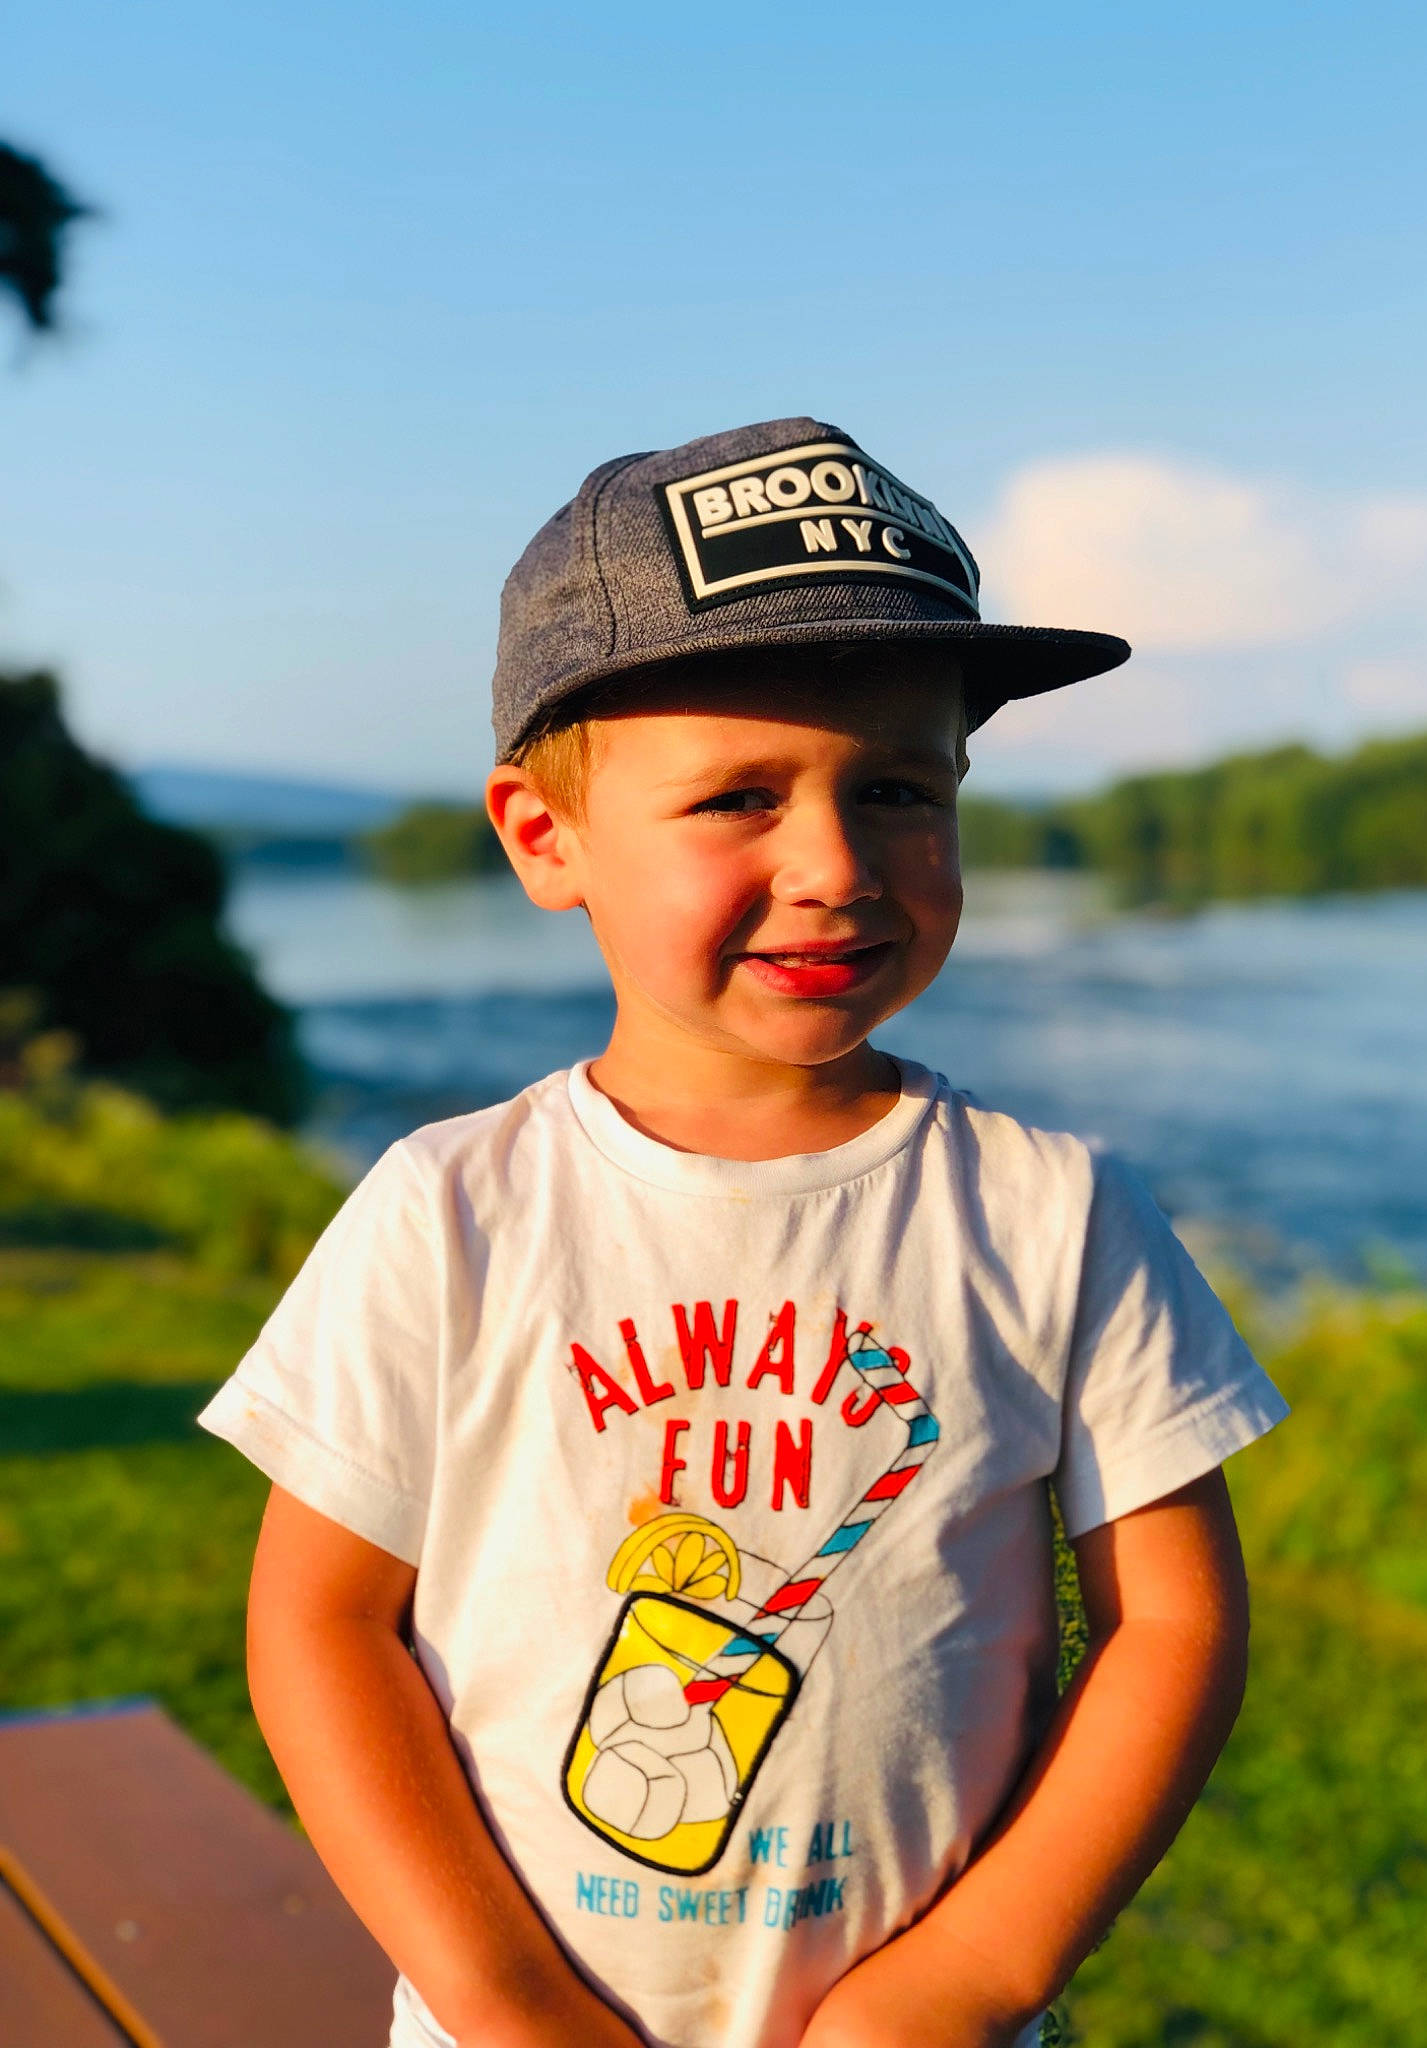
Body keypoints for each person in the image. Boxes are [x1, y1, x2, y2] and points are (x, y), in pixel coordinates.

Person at [200, 416, 1287, 2048]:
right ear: (545, 837)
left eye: (902, 788)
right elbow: (319, 1620)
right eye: (739, 798)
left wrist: (968, 1980)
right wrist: (502, 2000)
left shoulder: (1055, 1215)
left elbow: (1174, 1621)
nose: (838, 865)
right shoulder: (451, 1212)